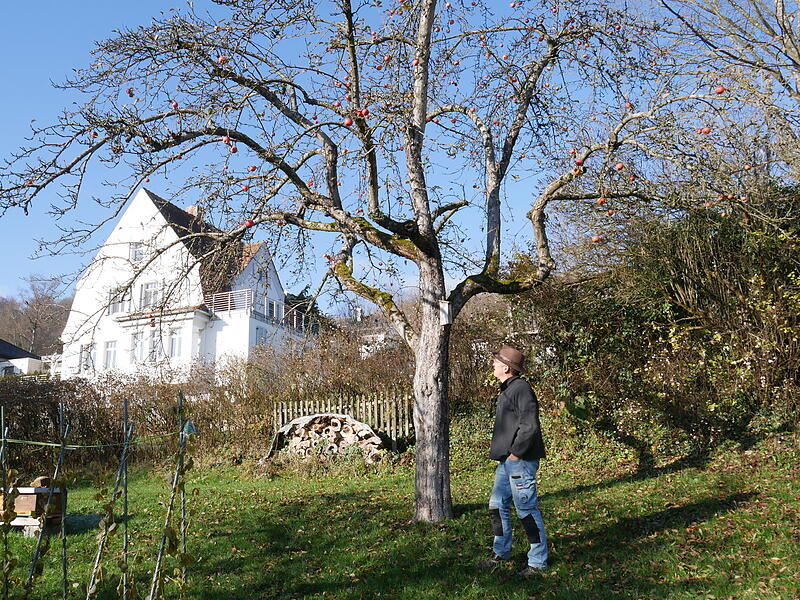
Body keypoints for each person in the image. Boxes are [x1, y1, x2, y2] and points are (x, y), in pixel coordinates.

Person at [478, 345, 548, 579]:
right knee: (497, 506)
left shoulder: (521, 389)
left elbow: (530, 426)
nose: (493, 365)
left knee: (526, 511)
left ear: (506, 367)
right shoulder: (509, 388)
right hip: (506, 462)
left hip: (521, 461)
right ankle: (501, 552)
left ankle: (537, 563)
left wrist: (516, 454)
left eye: (496, 362)